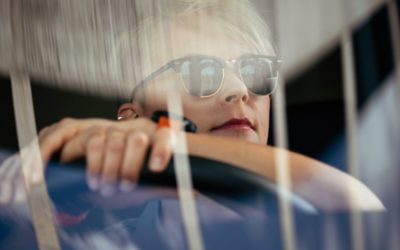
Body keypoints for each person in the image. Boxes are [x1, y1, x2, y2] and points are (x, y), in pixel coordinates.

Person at [1, 0, 382, 211]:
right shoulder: (110, 233)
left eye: (255, 72)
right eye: (200, 73)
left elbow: (359, 206)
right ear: (130, 117)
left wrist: (170, 143)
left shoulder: (299, 226)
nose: (239, 92)